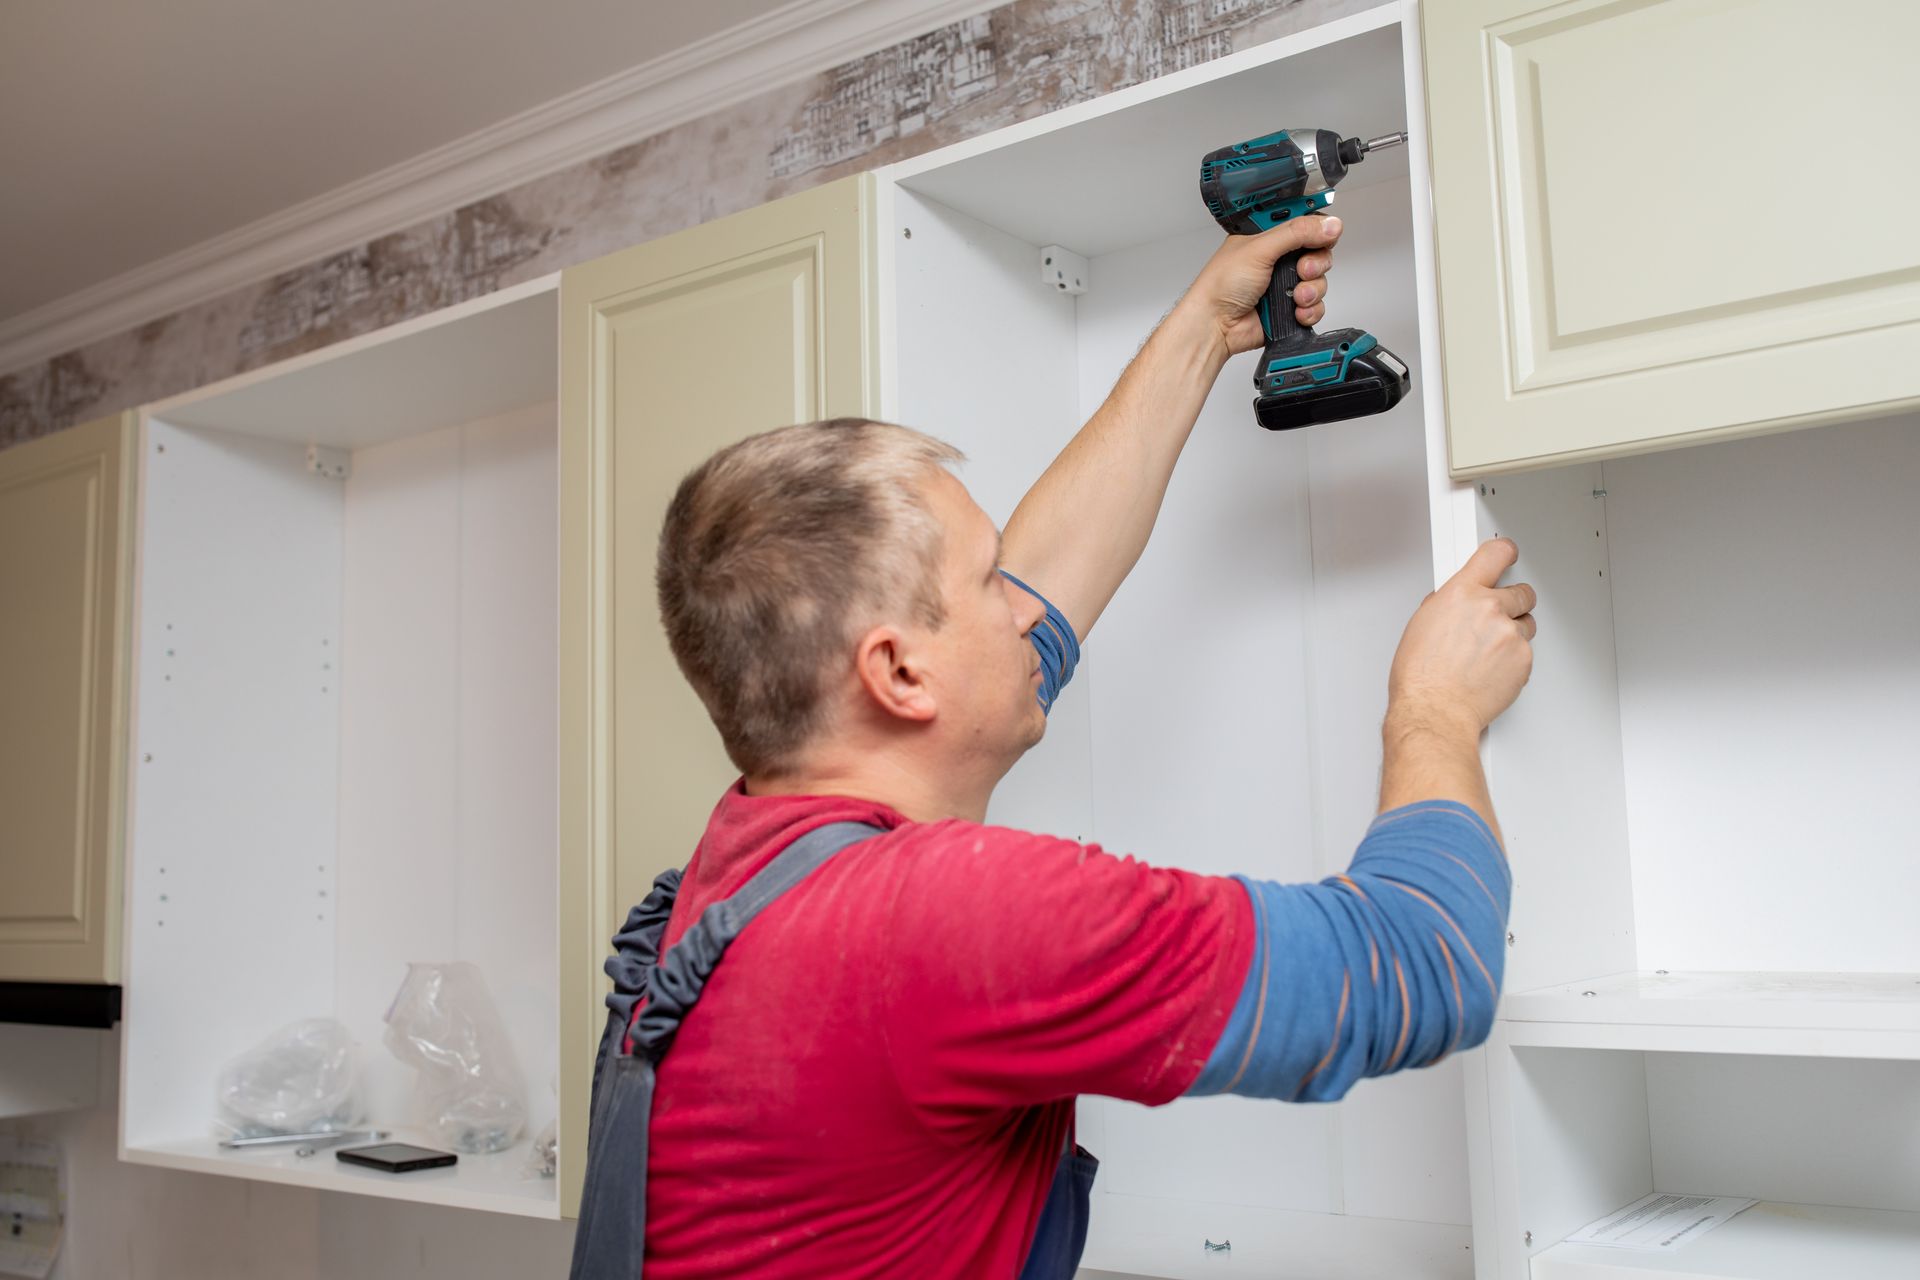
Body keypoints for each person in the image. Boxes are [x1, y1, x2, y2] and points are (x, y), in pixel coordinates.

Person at [569, 214, 1537, 1279]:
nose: (1024, 611)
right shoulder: (946, 921)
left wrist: (1207, 329)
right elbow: (1422, 965)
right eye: (988, 581)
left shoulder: (733, 884)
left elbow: (1036, 602)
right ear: (897, 673)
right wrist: (1434, 709)